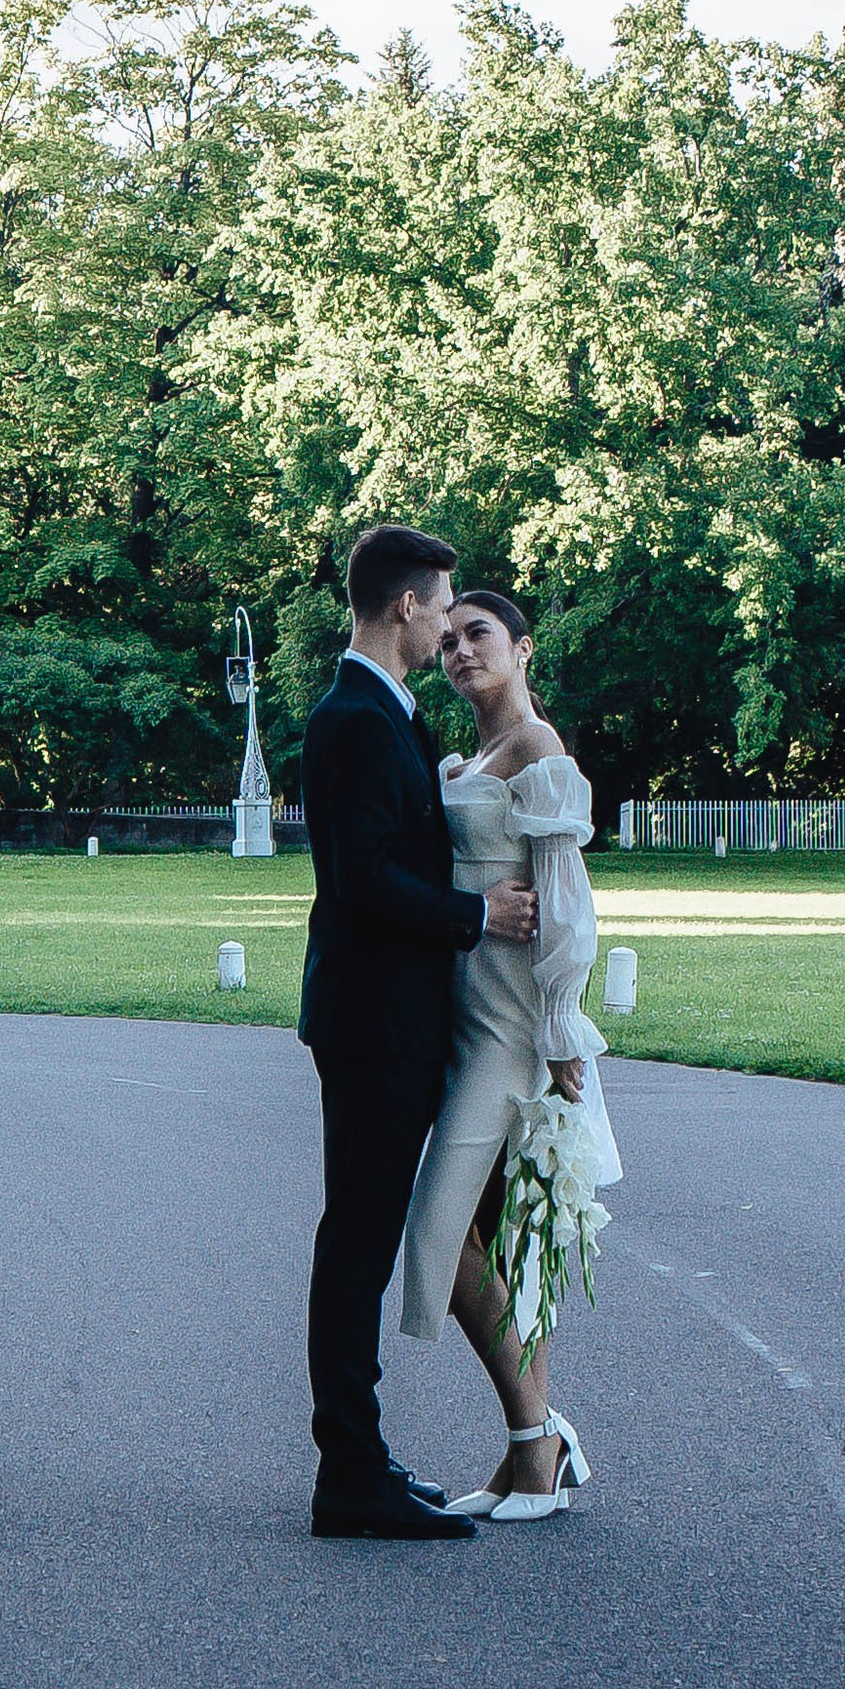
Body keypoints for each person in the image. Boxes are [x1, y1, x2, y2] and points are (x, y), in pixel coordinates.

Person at [299, 524, 539, 1541]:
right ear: (407, 606)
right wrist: (479, 917)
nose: (448, 626)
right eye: (442, 607)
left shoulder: (386, 714)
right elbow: (364, 885)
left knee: (358, 1241)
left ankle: (362, 1459)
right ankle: (349, 1475)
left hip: (398, 1020)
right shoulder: (354, 717)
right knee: (355, 1246)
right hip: (373, 1024)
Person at [399, 587, 621, 1520]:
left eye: (477, 634)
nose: (457, 651)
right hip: (454, 1025)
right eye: (446, 640)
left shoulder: (537, 750)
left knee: (438, 1241)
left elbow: (567, 901)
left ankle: (539, 1442)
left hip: (509, 1033)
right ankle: (529, 1451)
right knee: (493, 1241)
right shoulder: (460, 758)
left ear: (523, 648)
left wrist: (566, 1035)